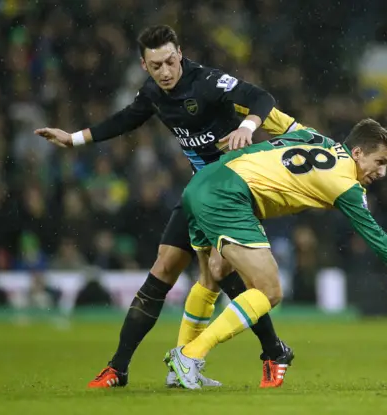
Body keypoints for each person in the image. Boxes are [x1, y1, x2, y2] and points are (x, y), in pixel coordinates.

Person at [34, 24, 302, 389]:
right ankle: (119, 368)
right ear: (144, 66)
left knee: (223, 273)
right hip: (199, 193)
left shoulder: (206, 81)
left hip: (232, 193)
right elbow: (126, 119)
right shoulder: (153, 94)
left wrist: (249, 126)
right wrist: (74, 139)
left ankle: (270, 351)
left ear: (180, 54)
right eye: (156, 65)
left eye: (170, 61)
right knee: (165, 267)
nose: (165, 71)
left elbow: (262, 97)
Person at [165, 119, 387, 389]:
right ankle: (191, 355)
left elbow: (273, 115)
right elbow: (378, 238)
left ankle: (179, 370)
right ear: (358, 152)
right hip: (230, 194)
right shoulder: (346, 184)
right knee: (270, 291)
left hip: (202, 180)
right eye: (380, 162)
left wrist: (248, 120)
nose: (383, 172)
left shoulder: (313, 137)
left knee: (211, 278)